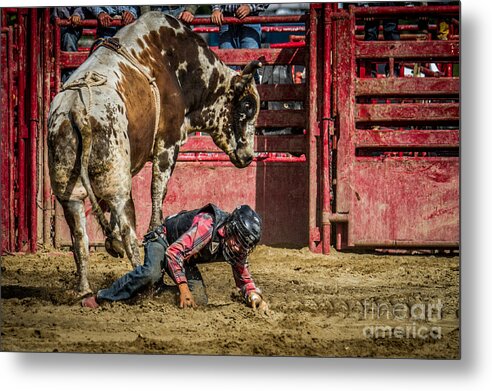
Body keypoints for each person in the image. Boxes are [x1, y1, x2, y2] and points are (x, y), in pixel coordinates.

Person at [82, 204, 268, 312]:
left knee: (199, 299)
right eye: (238, 240)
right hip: (163, 241)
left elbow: (245, 279)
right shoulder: (207, 225)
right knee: (151, 273)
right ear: (230, 229)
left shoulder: (237, 247)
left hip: (184, 257)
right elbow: (173, 252)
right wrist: (183, 288)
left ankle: (150, 292)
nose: (238, 247)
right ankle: (101, 298)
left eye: (244, 245)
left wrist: (254, 295)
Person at [211, 4, 269, 83]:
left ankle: (253, 92)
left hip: (249, 18)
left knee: (250, 66)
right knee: (229, 68)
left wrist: (250, 7)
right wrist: (216, 9)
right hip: (226, 19)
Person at [52, 7, 87, 83]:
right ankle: (68, 81)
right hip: (49, 25)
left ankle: (69, 81)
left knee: (68, 40)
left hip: (68, 26)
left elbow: (80, 6)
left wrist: (77, 14)